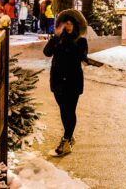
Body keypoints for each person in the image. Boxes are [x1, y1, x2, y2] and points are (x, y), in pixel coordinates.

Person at [43, 10, 89, 156]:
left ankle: (66, 139)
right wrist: (55, 38)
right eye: (66, 24)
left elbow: (80, 56)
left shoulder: (81, 41)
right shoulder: (57, 39)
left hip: (73, 80)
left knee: (70, 110)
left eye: (71, 24)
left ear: (76, 26)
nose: (68, 27)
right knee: (63, 110)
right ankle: (69, 137)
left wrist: (66, 43)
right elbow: (47, 52)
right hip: (57, 79)